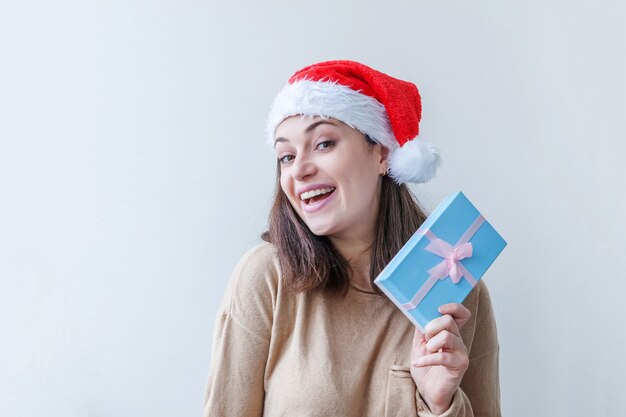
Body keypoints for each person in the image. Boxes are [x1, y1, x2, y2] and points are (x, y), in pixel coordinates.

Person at [202, 60, 501, 417]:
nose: (299, 169)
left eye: (324, 143)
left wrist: (440, 404)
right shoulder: (265, 278)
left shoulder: (458, 286)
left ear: (382, 154)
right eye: (286, 156)